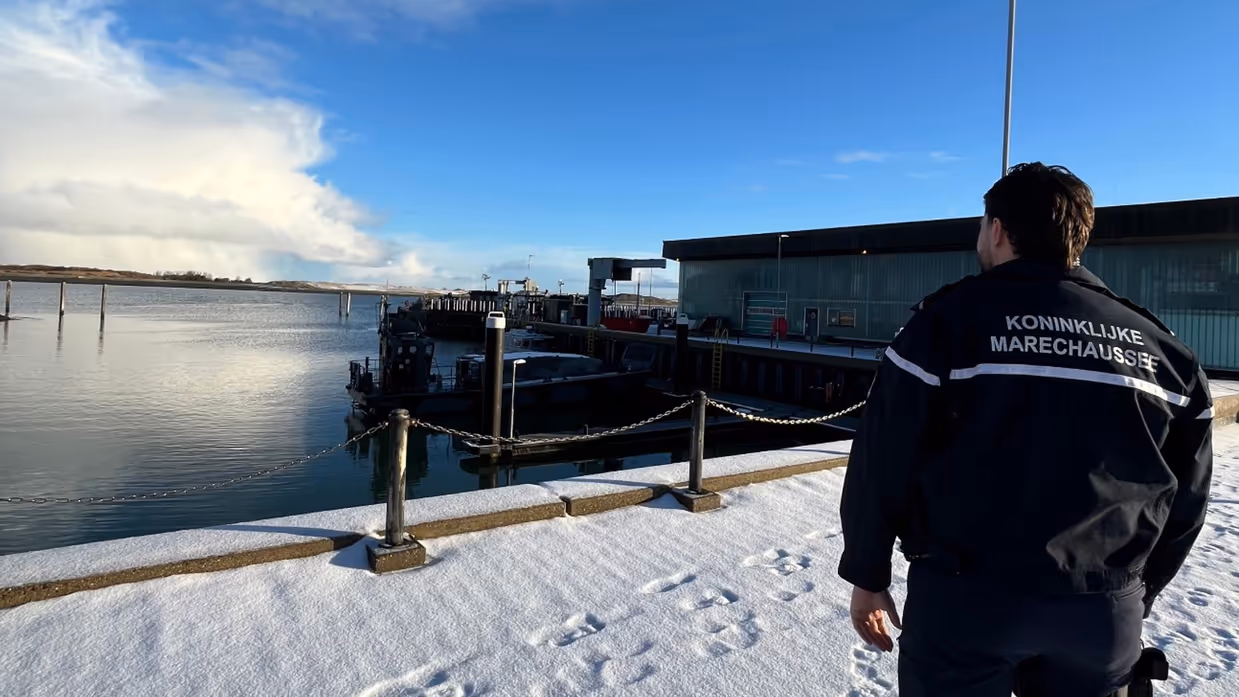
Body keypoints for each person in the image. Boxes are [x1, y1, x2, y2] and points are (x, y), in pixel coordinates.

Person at [837, 162, 1214, 697]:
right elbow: (1189, 495)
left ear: (997, 229)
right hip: (1102, 611)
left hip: (965, 601)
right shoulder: (1164, 351)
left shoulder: (944, 325)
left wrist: (868, 575)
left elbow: (882, 459)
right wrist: (1135, 591)